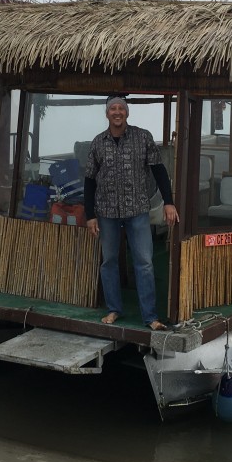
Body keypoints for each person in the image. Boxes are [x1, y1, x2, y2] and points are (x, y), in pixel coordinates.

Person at [84, 95, 178, 331]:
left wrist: (169, 202)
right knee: (109, 261)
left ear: (127, 113)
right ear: (107, 114)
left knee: (144, 262)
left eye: (121, 109)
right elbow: (89, 181)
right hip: (106, 211)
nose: (117, 112)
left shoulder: (142, 137)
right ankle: (114, 309)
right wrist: (90, 215)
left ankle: (150, 317)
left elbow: (159, 171)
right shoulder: (97, 143)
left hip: (137, 209)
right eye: (113, 109)